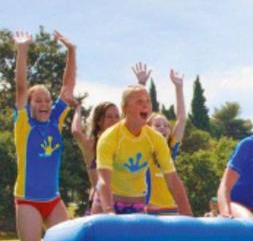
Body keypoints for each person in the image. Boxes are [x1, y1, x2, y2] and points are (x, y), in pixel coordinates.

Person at [11, 30, 77, 241]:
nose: (44, 103)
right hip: (27, 201)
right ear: (29, 104)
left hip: (53, 200)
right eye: (38, 100)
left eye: (46, 100)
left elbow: (67, 87)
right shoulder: (24, 124)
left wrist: (71, 51)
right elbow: (21, 85)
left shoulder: (55, 122)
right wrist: (22, 50)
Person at [95, 84, 193, 216]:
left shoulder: (155, 138)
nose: (146, 105)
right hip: (107, 203)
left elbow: (172, 180)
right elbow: (103, 181)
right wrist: (109, 212)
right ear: (125, 108)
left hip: (136, 205)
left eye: (148, 101)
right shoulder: (110, 137)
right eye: (139, 101)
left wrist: (187, 213)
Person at [131, 65, 187, 214]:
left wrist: (179, 88)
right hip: (149, 209)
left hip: (172, 208)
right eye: (157, 125)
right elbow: (135, 118)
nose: (162, 128)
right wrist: (141, 84)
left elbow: (181, 119)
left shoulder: (170, 149)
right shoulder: (143, 146)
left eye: (165, 125)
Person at [71, 99, 120, 215]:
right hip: (99, 202)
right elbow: (76, 132)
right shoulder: (91, 145)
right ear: (99, 121)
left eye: (117, 116)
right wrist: (78, 108)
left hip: (122, 199)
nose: (114, 120)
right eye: (109, 117)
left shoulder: (123, 143)